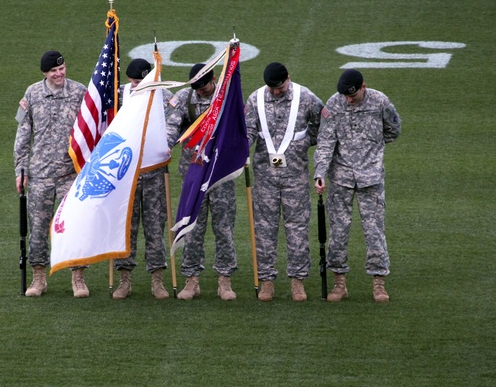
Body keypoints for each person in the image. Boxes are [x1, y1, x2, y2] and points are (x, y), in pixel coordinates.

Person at [313, 68, 401, 303]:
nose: (348, 100)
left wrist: (373, 153)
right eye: (345, 96)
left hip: (370, 178)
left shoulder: (380, 101)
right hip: (340, 178)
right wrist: (320, 173)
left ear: (363, 87)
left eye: (352, 95)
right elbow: (325, 142)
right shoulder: (334, 103)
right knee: (338, 232)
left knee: (374, 232)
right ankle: (339, 283)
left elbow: (393, 129)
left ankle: (379, 283)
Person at [245, 62, 324, 302]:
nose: (276, 92)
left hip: (296, 177)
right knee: (264, 230)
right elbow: (247, 130)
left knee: (297, 229)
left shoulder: (306, 97)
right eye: (272, 89)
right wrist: (239, 151)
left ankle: (298, 281)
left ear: (288, 79)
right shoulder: (256, 99)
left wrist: (302, 142)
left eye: (279, 88)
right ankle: (267, 281)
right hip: (265, 178)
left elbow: (323, 126)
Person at [14, 50, 90, 298]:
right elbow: (23, 134)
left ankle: (78, 278)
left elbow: (92, 130)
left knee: (74, 227)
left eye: (62, 68)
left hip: (71, 173)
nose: (59, 74)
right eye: (54, 71)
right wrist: (20, 169)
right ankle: (38, 278)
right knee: (38, 228)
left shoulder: (79, 91)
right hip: (40, 175)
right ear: (44, 73)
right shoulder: (32, 94)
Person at [166, 62, 238, 301]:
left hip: (220, 174)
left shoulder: (227, 96)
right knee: (192, 226)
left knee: (224, 228)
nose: (200, 91)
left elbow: (241, 128)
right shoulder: (185, 97)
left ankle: (225, 280)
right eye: (195, 86)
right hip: (194, 172)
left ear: (213, 79)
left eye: (204, 86)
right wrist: (166, 146)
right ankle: (191, 279)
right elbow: (172, 125)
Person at [112, 58, 174, 300]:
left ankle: (157, 280)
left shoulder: (164, 95)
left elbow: (175, 123)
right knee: (126, 226)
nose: (139, 85)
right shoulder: (117, 95)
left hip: (154, 173)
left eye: (143, 81)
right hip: (124, 173)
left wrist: (166, 142)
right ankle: (124, 279)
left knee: (155, 225)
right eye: (136, 81)